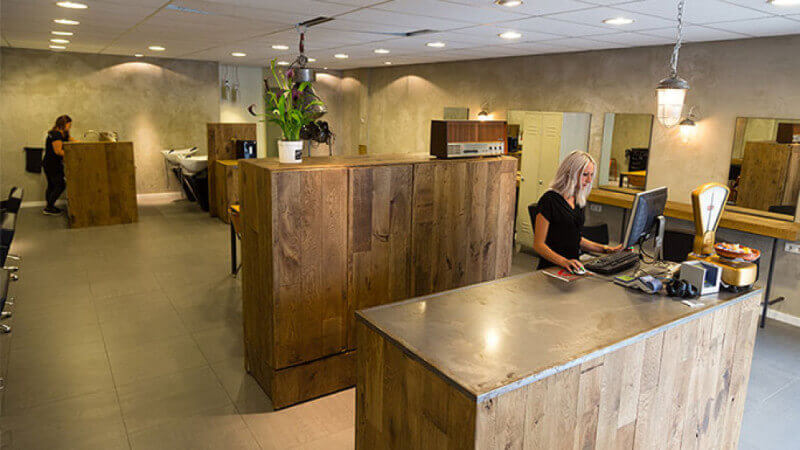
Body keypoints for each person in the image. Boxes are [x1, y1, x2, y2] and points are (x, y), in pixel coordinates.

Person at [533, 150, 622, 272]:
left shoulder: (578, 200)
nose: (590, 180)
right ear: (570, 173)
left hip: (573, 267)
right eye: (585, 175)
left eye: (591, 175)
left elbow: (575, 239)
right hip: (552, 267)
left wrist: (605, 249)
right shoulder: (549, 200)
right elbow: (539, 245)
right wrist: (564, 262)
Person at [42, 115, 76, 215]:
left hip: (49, 163)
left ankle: (49, 206)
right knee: (60, 185)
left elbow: (71, 140)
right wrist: (72, 154)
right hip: (52, 164)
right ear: (63, 124)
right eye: (68, 125)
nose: (69, 127)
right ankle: (49, 207)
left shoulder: (62, 133)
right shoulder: (56, 134)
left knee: (52, 185)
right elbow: (58, 151)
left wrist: (82, 144)